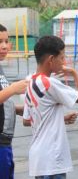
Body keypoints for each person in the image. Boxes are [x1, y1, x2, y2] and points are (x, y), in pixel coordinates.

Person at [23, 36, 78, 179]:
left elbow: (27, 120)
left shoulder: (31, 83)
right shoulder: (50, 83)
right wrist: (74, 73)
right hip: (52, 159)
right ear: (51, 60)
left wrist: (60, 118)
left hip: (39, 160)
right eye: (62, 58)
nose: (64, 62)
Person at [0, 24, 29, 179]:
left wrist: (21, 109)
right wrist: (13, 89)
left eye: (6, 41)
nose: (4, 46)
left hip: (5, 142)